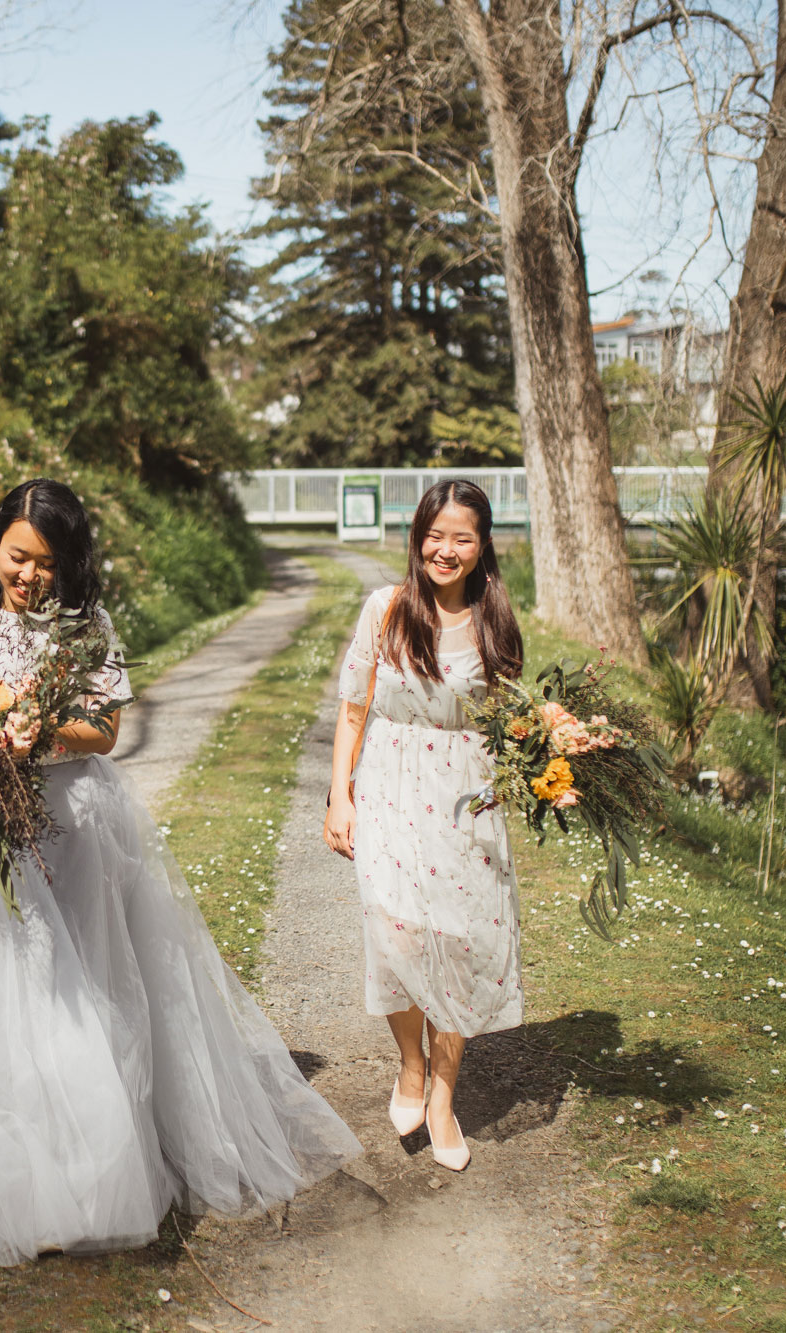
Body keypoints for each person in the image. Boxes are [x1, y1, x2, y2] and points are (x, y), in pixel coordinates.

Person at [0, 478, 361, 1266]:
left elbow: (104, 732)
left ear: (69, 563)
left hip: (76, 824)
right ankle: (14, 1173)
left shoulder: (89, 625)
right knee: (1, 994)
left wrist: (35, 733)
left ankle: (90, 1173)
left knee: (85, 985)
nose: (28, 576)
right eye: (16, 557)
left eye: (45, 562)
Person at [322, 479, 525, 1172]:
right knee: (396, 928)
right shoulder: (383, 609)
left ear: (481, 545)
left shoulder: (496, 621)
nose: (446, 549)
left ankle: (442, 1095)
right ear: (417, 537)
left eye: (462, 537)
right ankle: (410, 1064)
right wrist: (338, 797)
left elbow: (510, 721)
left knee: (460, 941)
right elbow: (353, 708)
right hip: (388, 784)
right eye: (435, 535)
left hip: (466, 797)